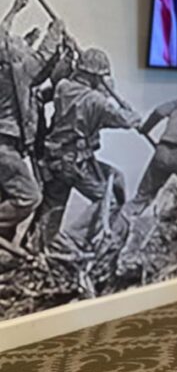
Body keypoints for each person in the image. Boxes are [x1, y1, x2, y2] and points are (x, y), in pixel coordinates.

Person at [31, 48, 141, 250]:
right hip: (76, 164)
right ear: (96, 76)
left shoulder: (63, 87)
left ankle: (38, 249)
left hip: (54, 160)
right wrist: (129, 110)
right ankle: (73, 240)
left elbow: (51, 93)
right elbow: (128, 121)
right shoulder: (96, 101)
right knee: (108, 201)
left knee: (53, 207)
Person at [0, 0, 63, 243]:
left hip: (9, 146)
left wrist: (14, 11)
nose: (24, 46)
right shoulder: (17, 72)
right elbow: (41, 58)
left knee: (8, 197)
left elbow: (40, 69)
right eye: (20, 45)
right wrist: (56, 30)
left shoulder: (14, 74)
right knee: (29, 197)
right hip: (6, 146)